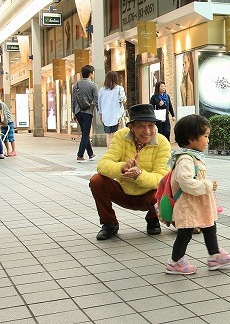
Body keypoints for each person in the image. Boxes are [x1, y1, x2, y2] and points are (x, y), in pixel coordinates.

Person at [165, 114, 230, 274]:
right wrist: (208, 185)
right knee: (185, 235)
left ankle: (214, 255)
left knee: (210, 228)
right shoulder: (185, 159)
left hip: (199, 205)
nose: (208, 140)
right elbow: (186, 182)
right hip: (188, 206)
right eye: (205, 136)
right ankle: (175, 262)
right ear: (191, 139)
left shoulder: (193, 157)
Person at [89, 104, 171, 240]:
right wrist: (122, 167)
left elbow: (162, 178)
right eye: (140, 126)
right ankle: (109, 224)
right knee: (96, 180)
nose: (147, 131)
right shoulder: (120, 136)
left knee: (162, 189)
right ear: (131, 127)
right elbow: (102, 165)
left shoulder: (162, 143)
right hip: (124, 191)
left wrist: (139, 175)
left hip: (148, 196)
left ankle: (153, 219)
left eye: (151, 125)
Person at [72, 64, 98, 162]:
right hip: (87, 112)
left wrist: (74, 112)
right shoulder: (93, 85)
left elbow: (73, 100)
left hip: (78, 112)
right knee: (85, 134)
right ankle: (80, 155)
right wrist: (99, 112)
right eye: (93, 73)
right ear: (90, 74)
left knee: (85, 133)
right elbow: (96, 100)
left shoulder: (76, 85)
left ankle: (91, 154)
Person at [98, 71, 126, 147]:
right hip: (116, 116)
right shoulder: (119, 89)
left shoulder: (102, 90)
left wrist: (100, 114)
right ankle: (115, 153)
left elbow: (99, 103)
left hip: (106, 116)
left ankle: (109, 152)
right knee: (117, 136)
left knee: (108, 135)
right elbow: (123, 100)